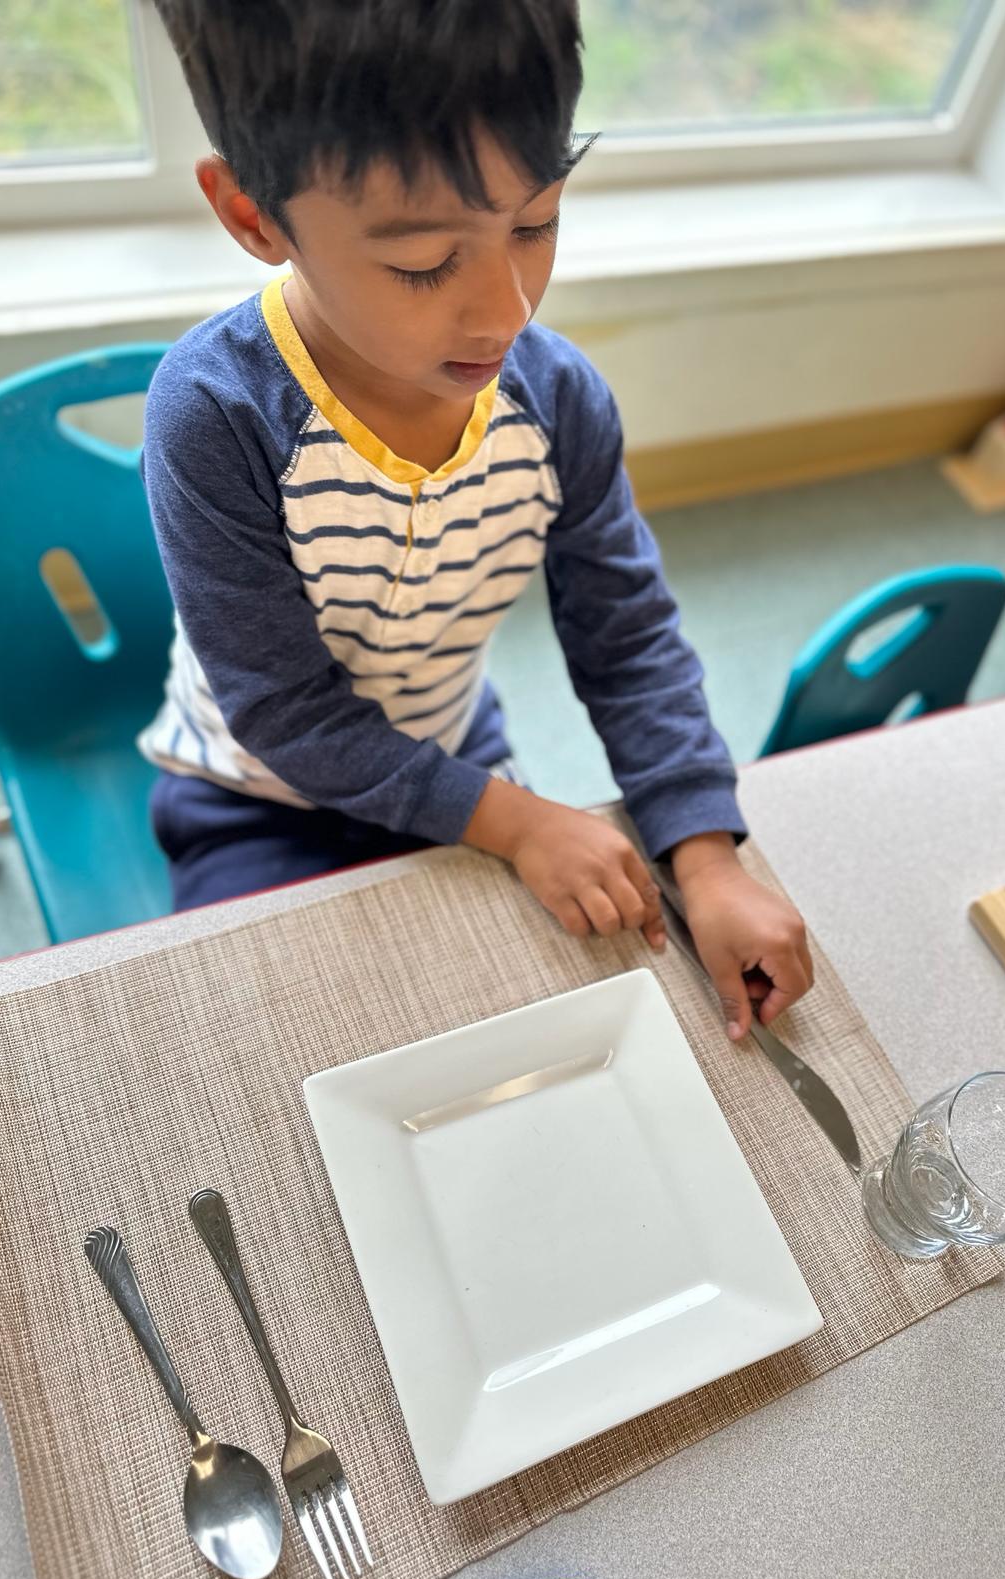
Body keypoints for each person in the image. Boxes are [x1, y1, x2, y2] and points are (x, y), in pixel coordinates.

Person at [141, 0, 813, 1040]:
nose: (505, 311)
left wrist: (708, 856)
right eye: (421, 263)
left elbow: (626, 639)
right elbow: (288, 713)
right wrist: (513, 821)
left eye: (536, 224)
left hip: (457, 746)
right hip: (253, 795)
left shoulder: (559, 401)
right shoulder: (215, 417)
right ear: (252, 215)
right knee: (273, 1043)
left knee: (551, 1019)